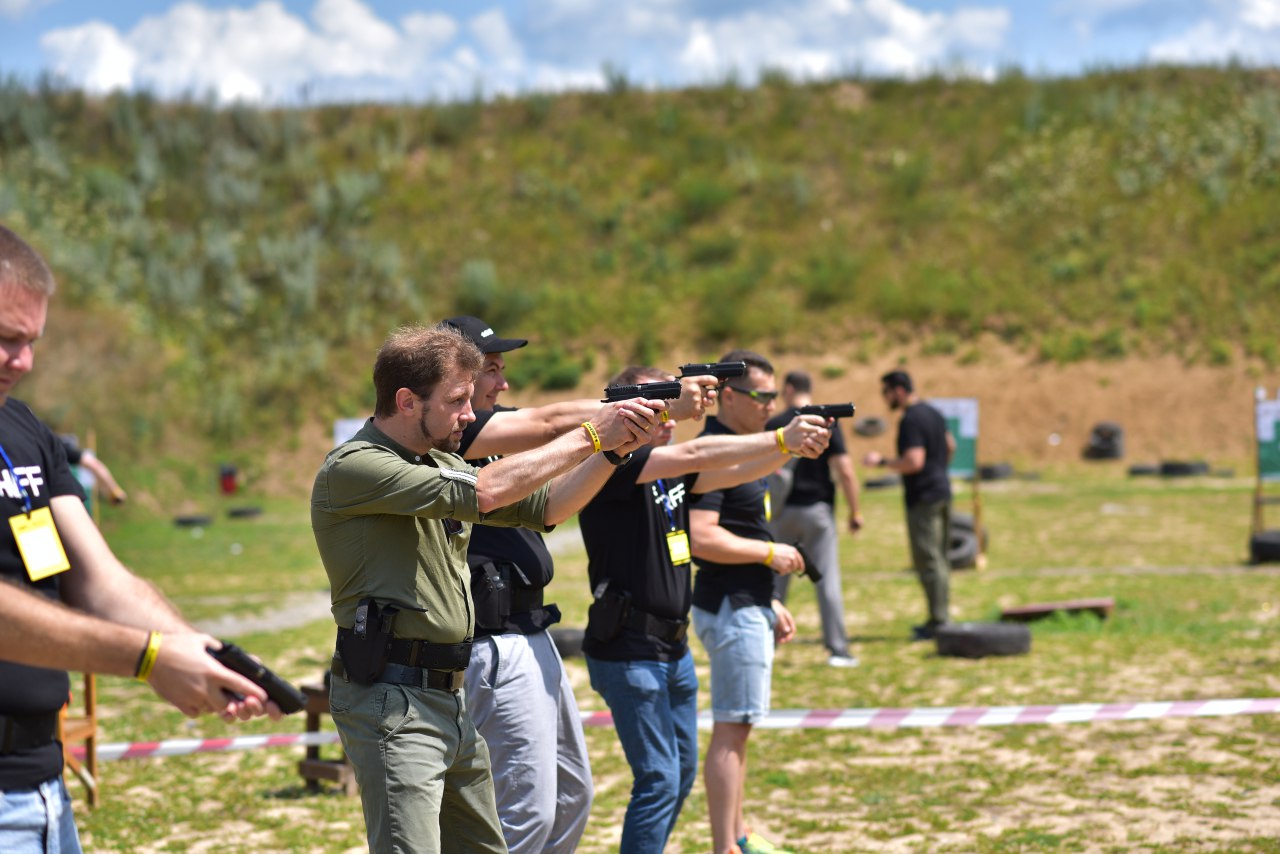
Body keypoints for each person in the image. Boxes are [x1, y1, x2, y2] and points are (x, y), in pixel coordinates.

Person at [311, 322, 659, 853]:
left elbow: (549, 507)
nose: (470, 414)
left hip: (447, 695)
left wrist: (611, 452)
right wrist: (592, 434)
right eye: (456, 401)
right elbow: (489, 491)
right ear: (406, 401)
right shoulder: (357, 466)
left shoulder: (439, 462)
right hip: (393, 699)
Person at [0, 225, 280, 854]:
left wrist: (197, 650)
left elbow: (99, 579)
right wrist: (149, 659)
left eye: (31, 342)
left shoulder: (22, 429)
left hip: (40, 788)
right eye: (5, 340)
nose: (24, 362)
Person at [442, 315, 721, 854]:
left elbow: (550, 507)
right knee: (525, 814)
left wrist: (615, 447)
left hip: (530, 627)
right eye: (491, 370)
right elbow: (550, 421)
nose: (503, 382)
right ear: (456, 379)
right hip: (492, 637)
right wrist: (658, 402)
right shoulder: (454, 435)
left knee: (572, 797)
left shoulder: (495, 436)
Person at [579, 364, 829, 854]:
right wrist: (782, 439)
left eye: (669, 408)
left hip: (672, 648)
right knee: (659, 780)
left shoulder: (668, 469)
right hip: (630, 648)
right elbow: (698, 453)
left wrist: (787, 450)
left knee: (680, 773)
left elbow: (730, 472)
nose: (668, 420)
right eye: (656, 409)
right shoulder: (616, 463)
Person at [689, 349, 809, 854]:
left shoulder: (740, 449)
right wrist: (769, 555)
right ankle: (726, 846)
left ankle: (737, 834)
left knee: (740, 729)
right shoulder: (716, 449)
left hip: (743, 601)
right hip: (730, 605)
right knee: (732, 729)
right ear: (729, 396)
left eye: (775, 395)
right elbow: (701, 536)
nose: (771, 406)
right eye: (761, 395)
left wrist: (766, 599)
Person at [765, 370, 862, 667]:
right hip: (817, 513)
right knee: (826, 582)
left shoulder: (777, 423)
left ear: (788, 389)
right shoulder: (825, 421)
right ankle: (838, 650)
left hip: (781, 513)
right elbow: (845, 470)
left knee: (774, 586)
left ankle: (766, 646)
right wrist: (855, 511)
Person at [862, 370, 955, 641]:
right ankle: (940, 616)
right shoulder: (933, 412)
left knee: (928, 560)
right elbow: (950, 446)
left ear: (899, 391)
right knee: (940, 558)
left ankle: (939, 622)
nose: (885, 398)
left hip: (923, 497)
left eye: (886, 392)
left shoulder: (911, 419)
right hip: (942, 490)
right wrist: (938, 471)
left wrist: (882, 462)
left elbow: (914, 461)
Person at [59, 435, 128, 507]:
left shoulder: (55, 445)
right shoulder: (55, 445)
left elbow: (93, 465)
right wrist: (114, 489)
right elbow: (93, 464)